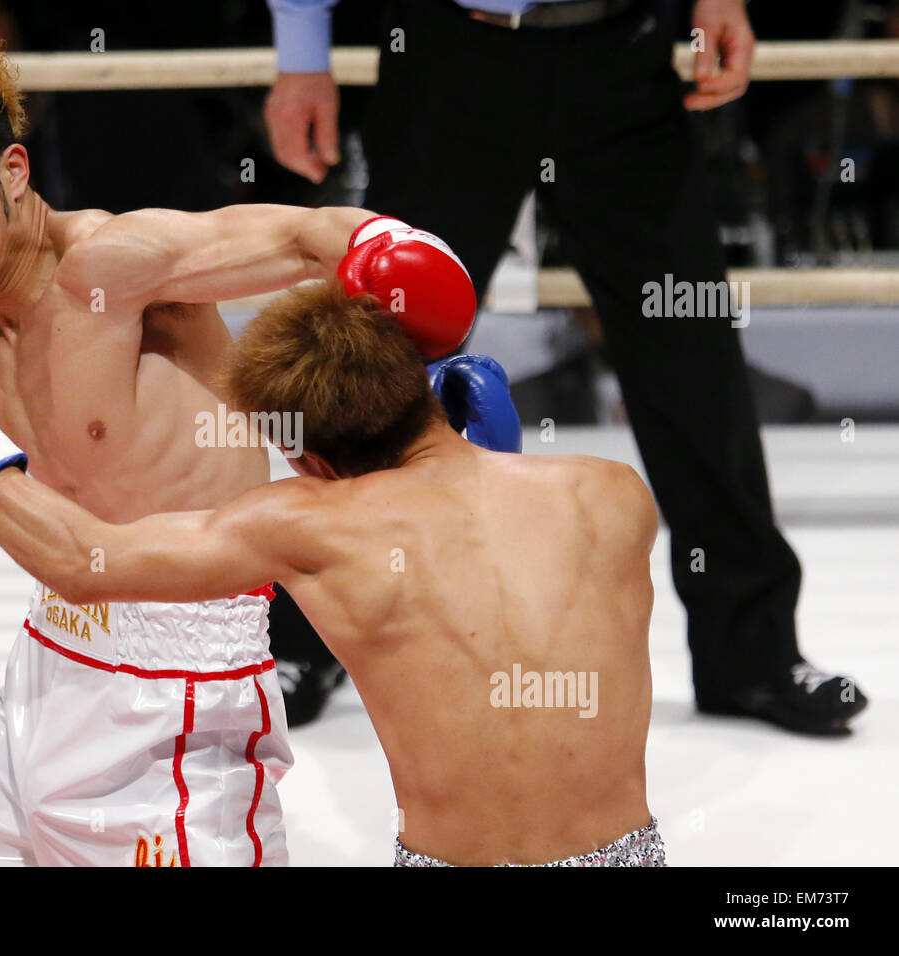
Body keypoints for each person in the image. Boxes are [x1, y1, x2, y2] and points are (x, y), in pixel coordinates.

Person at [0, 25, 474, 865]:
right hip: (43, 667)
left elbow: (300, 237)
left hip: (185, 685)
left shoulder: (112, 266)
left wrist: (389, 250)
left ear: (13, 173)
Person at [0, 276, 661, 867]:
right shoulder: (613, 497)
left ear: (308, 458)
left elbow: (79, 561)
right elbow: (485, 555)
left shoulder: (309, 525)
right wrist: (480, 454)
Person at [263, 0, 868, 734]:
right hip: (450, 50)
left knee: (692, 347)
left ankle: (754, 657)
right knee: (379, 354)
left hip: (621, 47)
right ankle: (313, 635)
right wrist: (300, 51)